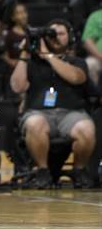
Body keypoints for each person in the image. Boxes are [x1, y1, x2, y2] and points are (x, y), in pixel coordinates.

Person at [10, 19, 95, 189]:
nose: (56, 37)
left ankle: (79, 171)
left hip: (71, 114)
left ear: (69, 37)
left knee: (86, 128)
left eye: (61, 33)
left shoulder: (77, 62)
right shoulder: (32, 62)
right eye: (51, 33)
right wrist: (25, 54)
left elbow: (76, 77)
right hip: (38, 112)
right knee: (35, 124)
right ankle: (42, 171)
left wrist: (47, 56)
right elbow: (17, 86)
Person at [1, 2, 29, 69]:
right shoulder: (9, 35)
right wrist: (13, 62)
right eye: (19, 13)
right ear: (13, 17)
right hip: (14, 68)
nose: (23, 15)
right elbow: (4, 56)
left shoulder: (31, 32)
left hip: (29, 67)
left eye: (24, 12)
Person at [81, 7, 102, 87]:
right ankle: (94, 97)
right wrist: (101, 56)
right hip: (99, 58)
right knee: (90, 64)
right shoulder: (95, 16)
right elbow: (87, 41)